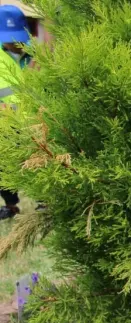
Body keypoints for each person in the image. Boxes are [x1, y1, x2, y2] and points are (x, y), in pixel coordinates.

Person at [0, 5, 31, 221]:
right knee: (3, 166)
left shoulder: (36, 56)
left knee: (40, 162)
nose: (15, 43)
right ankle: (10, 205)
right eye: (10, 39)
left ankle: (46, 202)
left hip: (34, 122)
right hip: (4, 124)